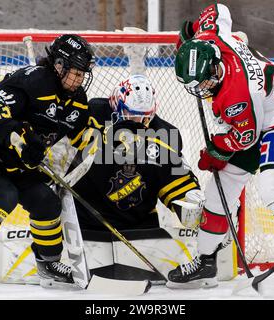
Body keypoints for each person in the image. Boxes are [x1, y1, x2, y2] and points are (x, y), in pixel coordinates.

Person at [168, 2, 274, 297]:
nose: (202, 89)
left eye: (205, 81)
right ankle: (206, 262)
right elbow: (218, 9)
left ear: (216, 66)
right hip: (255, 116)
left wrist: (217, 151)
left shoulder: (236, 93)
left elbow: (244, 138)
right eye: (196, 84)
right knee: (219, 189)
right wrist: (194, 30)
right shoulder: (212, 38)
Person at [0, 34, 95, 295]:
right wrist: (22, 138)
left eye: (83, 73)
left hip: (5, 148)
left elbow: (83, 136)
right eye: (75, 72)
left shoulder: (77, 99)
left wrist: (94, 141)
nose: (79, 78)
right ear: (59, 66)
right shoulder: (35, 80)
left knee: (45, 198)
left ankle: (49, 265)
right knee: (1, 193)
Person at [58, 74, 204, 281]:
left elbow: (173, 178)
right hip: (86, 222)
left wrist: (188, 200)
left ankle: (210, 253)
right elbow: (64, 151)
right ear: (116, 106)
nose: (137, 121)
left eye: (143, 117)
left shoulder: (165, 133)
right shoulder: (92, 113)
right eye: (130, 115)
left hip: (140, 228)